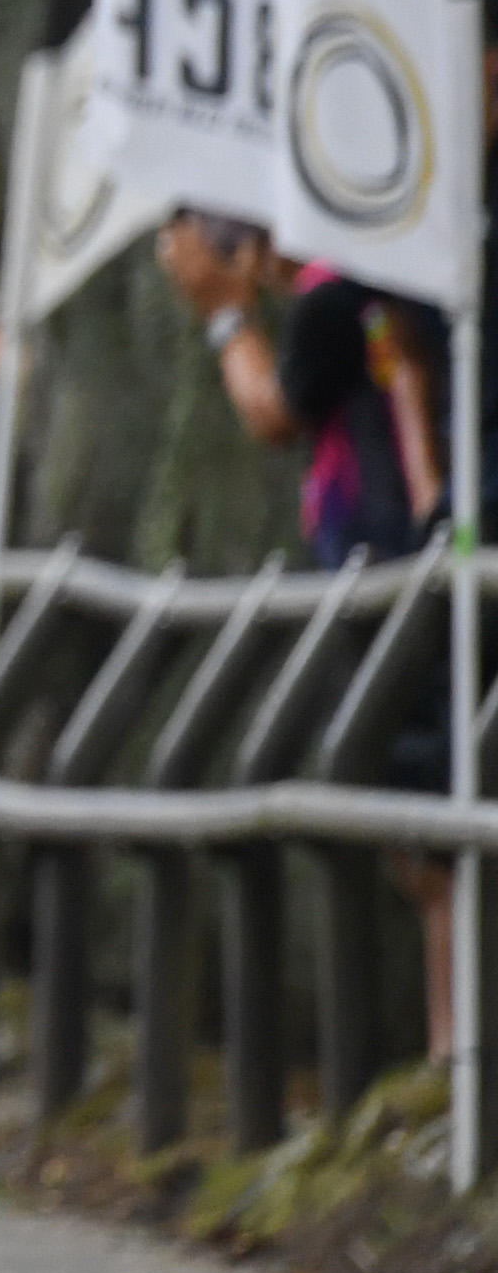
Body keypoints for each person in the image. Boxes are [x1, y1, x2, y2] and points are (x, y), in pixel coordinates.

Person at [157, 216, 462, 1061]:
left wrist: (224, 315)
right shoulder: (371, 281)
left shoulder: (335, 295)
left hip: (401, 571)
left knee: (434, 825)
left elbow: (273, 410)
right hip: (397, 569)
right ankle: (452, 1049)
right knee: (426, 817)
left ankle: (454, 1051)